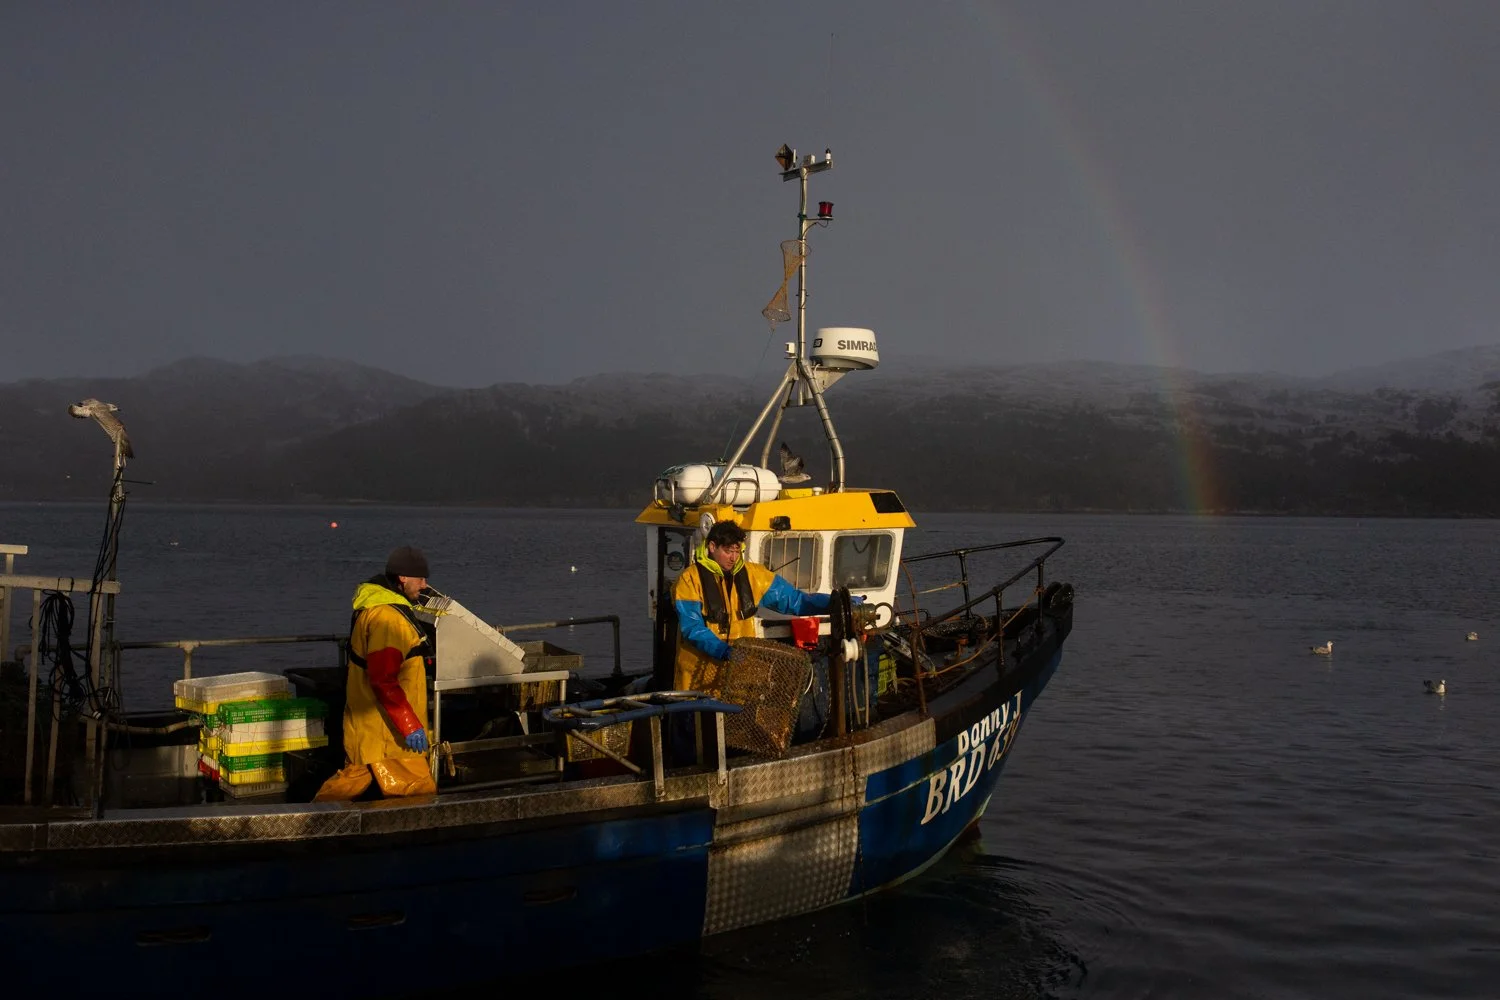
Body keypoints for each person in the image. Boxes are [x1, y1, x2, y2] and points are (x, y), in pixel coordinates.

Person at [671, 519, 854, 693]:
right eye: (728, 551)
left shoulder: (754, 575)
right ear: (712, 547)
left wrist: (835, 602)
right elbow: (692, 628)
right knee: (694, 724)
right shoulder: (689, 580)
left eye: (737, 551)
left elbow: (795, 601)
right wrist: (724, 651)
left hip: (740, 674)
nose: (734, 557)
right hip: (697, 679)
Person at [314, 545, 438, 800]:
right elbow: (384, 679)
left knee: (353, 777)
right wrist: (410, 726)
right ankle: (415, 836)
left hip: (366, 723)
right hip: (389, 733)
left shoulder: (374, 605)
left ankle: (312, 820)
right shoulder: (388, 619)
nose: (425, 585)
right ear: (402, 578)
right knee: (417, 791)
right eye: (420, 579)